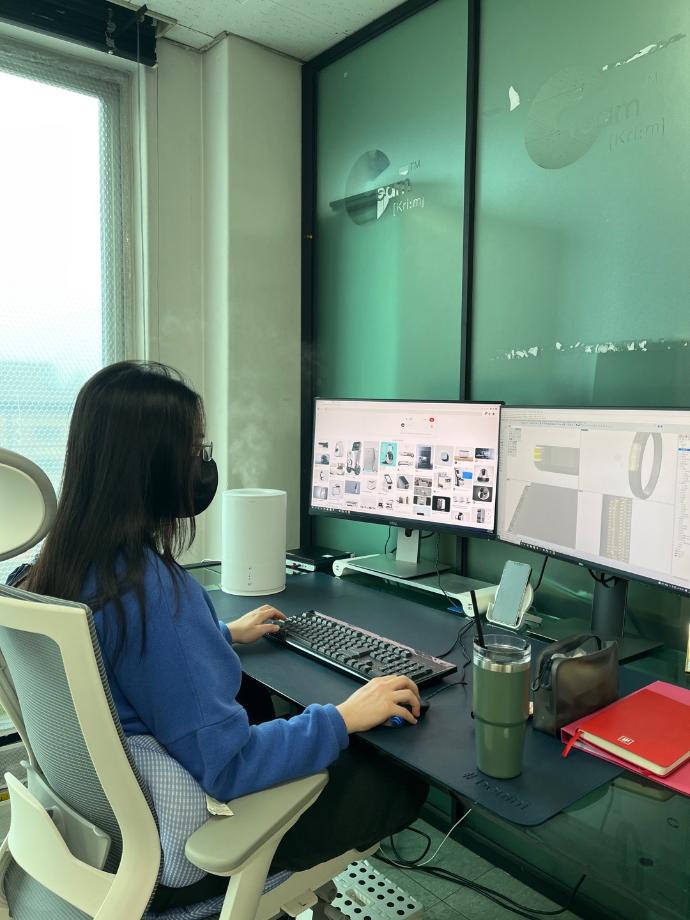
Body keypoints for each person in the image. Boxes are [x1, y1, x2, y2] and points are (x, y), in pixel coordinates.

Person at [15, 361, 428, 912]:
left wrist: (216, 635)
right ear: (156, 467)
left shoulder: (52, 570)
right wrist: (344, 716)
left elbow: (126, 658)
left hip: (104, 842)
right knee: (396, 776)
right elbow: (230, 766)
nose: (202, 464)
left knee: (258, 701)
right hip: (188, 860)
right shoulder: (153, 593)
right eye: (193, 450)